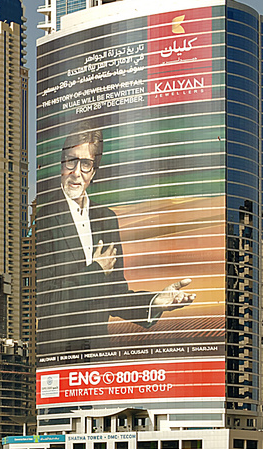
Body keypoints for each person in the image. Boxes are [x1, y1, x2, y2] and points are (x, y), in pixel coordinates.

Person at [36, 126, 196, 355]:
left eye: (86, 164)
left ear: (94, 170)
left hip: (98, 355)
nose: (76, 172)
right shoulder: (46, 217)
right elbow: (45, 302)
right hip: (57, 356)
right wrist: (96, 271)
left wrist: (156, 301)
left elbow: (114, 295)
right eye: (71, 162)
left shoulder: (107, 219)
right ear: (61, 165)